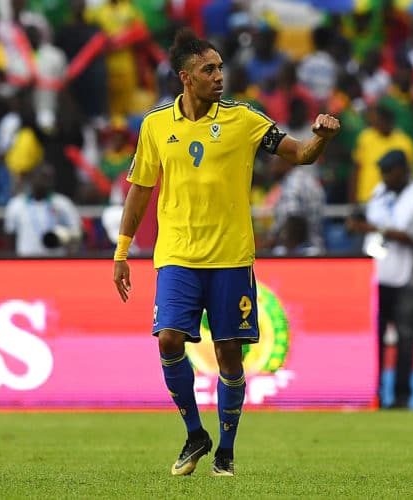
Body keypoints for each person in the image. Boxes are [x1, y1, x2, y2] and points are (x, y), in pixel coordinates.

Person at [112, 28, 339, 477]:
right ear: (186, 78)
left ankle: (226, 451)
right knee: (169, 340)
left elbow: (303, 154)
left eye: (220, 68)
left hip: (232, 258)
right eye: (208, 70)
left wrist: (322, 138)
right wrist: (122, 250)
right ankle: (196, 433)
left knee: (229, 355)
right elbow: (140, 190)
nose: (219, 77)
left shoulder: (245, 120)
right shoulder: (156, 126)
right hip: (177, 254)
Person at [346, 150, 413, 409]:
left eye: (389, 172)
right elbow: (372, 219)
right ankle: (375, 393)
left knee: (405, 337)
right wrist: (358, 223)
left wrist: (374, 229)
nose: (384, 177)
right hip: (378, 273)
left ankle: (402, 396)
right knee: (374, 338)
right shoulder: (380, 191)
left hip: (410, 277)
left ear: (403, 170)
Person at [3, 163, 82, 256]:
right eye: (40, 176)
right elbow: (10, 236)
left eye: (48, 177)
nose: (43, 181)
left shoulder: (62, 203)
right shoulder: (17, 204)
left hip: (56, 261)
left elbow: (76, 232)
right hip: (26, 260)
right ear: (31, 178)